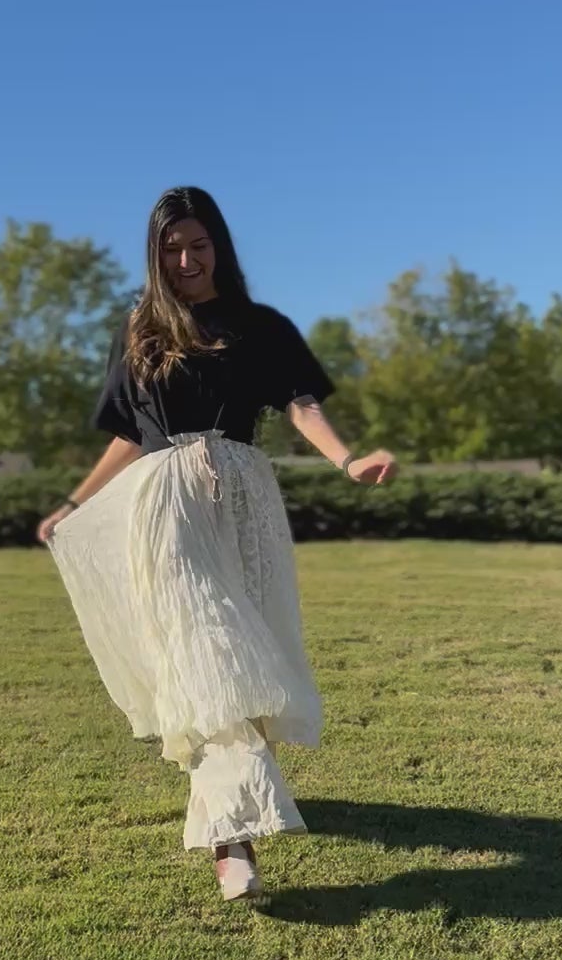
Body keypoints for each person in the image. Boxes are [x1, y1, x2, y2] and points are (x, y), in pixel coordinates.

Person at [37, 186, 396, 901]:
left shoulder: (260, 326)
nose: (186, 260)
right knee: (206, 646)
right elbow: (130, 435)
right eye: (171, 248)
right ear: (155, 255)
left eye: (198, 246)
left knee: (247, 653)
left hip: (244, 500)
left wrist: (347, 460)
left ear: (219, 248)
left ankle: (226, 817)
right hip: (167, 503)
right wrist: (75, 503)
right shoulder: (139, 329)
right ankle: (234, 844)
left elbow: (300, 404)